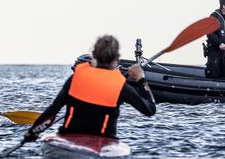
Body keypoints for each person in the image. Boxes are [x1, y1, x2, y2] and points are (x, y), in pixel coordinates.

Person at [23, 35, 156, 141]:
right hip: (103, 144)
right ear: (117, 58)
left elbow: (53, 111)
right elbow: (150, 110)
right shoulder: (121, 87)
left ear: (93, 54)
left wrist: (32, 133)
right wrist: (141, 79)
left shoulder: (75, 78)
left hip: (68, 138)